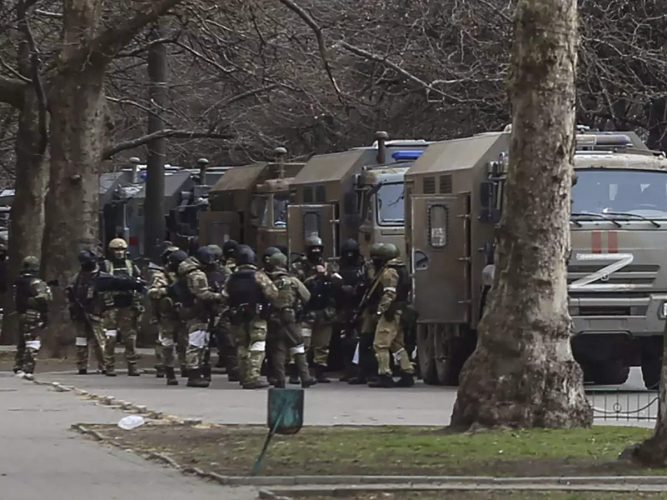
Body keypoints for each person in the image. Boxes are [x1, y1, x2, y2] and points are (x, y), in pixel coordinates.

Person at [226, 244, 279, 389]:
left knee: (241, 345)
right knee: (257, 345)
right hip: (257, 316)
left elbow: (224, 296)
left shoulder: (231, 278)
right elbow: (273, 293)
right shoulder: (258, 276)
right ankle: (253, 376)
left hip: (237, 316)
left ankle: (243, 376)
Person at [292, 235, 341, 383]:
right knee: (302, 344)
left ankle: (320, 372)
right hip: (307, 312)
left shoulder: (329, 266)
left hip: (325, 312)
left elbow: (338, 282)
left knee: (322, 345)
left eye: (318, 249)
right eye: (313, 249)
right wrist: (314, 277)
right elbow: (295, 285)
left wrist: (326, 275)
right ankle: (296, 373)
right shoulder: (298, 267)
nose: (316, 252)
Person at [266, 252, 316, 388]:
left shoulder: (269, 282)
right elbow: (307, 296)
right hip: (289, 316)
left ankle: (280, 379)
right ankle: (305, 377)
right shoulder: (292, 281)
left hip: (274, 318)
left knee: (279, 348)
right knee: (298, 345)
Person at [178, 246, 224, 387]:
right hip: (197, 311)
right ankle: (194, 375)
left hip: (190, 309)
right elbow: (203, 294)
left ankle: (197, 372)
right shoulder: (197, 274)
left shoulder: (186, 270)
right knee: (196, 343)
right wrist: (221, 296)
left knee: (197, 342)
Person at [370, 243, 414, 388]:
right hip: (401, 311)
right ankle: (407, 371)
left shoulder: (389, 272)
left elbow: (389, 293)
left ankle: (385, 374)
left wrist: (380, 311)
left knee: (380, 344)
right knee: (397, 344)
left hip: (391, 312)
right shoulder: (403, 269)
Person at [101, 238, 144, 377]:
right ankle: (109, 366)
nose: (119, 252)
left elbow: (139, 282)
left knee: (129, 337)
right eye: (116, 250)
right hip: (111, 306)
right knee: (110, 337)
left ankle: (132, 365)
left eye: (122, 249)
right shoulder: (105, 265)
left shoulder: (131, 265)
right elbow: (100, 283)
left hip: (128, 304)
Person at [148, 246, 188, 385]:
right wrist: (168, 290)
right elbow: (153, 292)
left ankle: (185, 367)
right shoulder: (161, 275)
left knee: (184, 342)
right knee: (167, 343)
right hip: (167, 314)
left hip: (184, 312)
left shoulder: (187, 275)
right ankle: (168, 369)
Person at [66, 250, 106, 375]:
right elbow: (70, 291)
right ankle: (82, 365)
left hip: (96, 313)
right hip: (80, 314)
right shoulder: (78, 277)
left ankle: (104, 365)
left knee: (100, 341)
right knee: (81, 340)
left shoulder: (101, 276)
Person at [335, 239, 368, 381]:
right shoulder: (338, 268)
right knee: (345, 341)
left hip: (358, 307)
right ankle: (349, 370)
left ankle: (359, 370)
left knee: (358, 341)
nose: (349, 256)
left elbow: (366, 287)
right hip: (344, 308)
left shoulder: (363, 269)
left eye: (352, 253)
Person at [14, 256, 52, 379]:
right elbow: (45, 298)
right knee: (33, 342)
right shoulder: (36, 282)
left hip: (21, 314)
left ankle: (18, 366)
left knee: (22, 342)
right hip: (34, 314)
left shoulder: (19, 282)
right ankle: (28, 368)